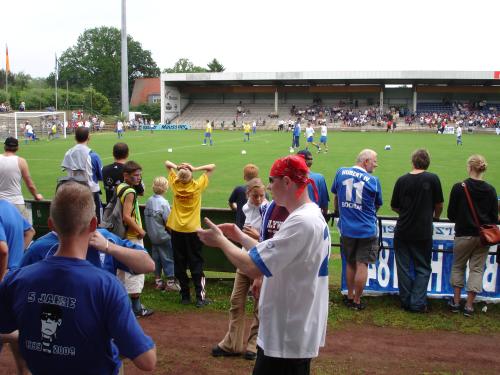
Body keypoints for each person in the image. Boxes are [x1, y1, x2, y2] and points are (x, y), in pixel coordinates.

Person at [0, 181, 156, 374]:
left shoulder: (17, 278)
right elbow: (147, 360)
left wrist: (109, 247)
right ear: (93, 223)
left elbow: (148, 264)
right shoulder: (108, 287)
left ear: (51, 223)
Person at [198, 155, 329, 375]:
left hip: (287, 331)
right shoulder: (309, 214)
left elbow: (252, 266)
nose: (269, 186)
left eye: (272, 180)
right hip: (291, 328)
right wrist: (239, 236)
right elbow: (270, 252)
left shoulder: (302, 221)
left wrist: (220, 241)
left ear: (287, 182)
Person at [212, 178, 270, 361]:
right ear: (247, 195)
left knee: (259, 305)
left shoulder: (268, 210)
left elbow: (274, 243)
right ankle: (232, 343)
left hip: (260, 263)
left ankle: (254, 345)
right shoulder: (245, 208)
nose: (259, 199)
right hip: (244, 259)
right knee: (236, 301)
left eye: (261, 196)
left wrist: (257, 236)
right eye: (255, 196)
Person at [390, 149, 444, 313]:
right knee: (423, 267)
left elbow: (394, 205)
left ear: (412, 161)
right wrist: (434, 217)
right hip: (423, 230)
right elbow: (439, 204)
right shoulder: (433, 178)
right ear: (427, 162)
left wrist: (406, 214)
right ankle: (417, 303)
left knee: (404, 267)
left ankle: (406, 301)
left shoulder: (402, 180)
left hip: (403, 229)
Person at [331, 149, 382, 310]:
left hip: (347, 228)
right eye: (374, 161)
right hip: (366, 229)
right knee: (362, 264)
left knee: (350, 262)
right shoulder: (373, 181)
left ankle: (350, 295)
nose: (376, 164)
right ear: (365, 161)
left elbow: (336, 197)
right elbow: (377, 204)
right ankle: (357, 301)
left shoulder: (340, 172)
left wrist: (341, 212)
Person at [447, 155, 498, 317]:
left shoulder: (458, 187)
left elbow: (451, 214)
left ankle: (455, 302)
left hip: (463, 234)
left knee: (458, 266)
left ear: (469, 167)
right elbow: (493, 217)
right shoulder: (490, 190)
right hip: (483, 236)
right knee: (476, 269)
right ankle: (469, 305)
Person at [165, 160, 216, 307]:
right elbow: (211, 166)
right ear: (191, 176)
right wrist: (194, 167)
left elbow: (167, 163)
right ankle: (200, 298)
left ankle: (185, 296)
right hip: (193, 230)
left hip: (176, 230)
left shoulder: (175, 184)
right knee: (196, 262)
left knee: (179, 263)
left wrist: (178, 167)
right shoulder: (196, 186)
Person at [116, 161, 153, 317]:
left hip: (122, 236)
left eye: (140, 175)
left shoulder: (121, 187)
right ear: (126, 175)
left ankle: (121, 306)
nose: (138, 178)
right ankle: (136, 308)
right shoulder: (130, 192)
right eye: (136, 175)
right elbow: (126, 216)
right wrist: (141, 230)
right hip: (132, 236)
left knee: (121, 272)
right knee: (136, 271)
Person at [144, 176, 180, 292]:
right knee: (168, 258)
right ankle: (170, 282)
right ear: (165, 188)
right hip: (163, 236)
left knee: (156, 259)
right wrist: (172, 234)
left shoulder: (149, 201)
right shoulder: (164, 203)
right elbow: (168, 222)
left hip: (152, 236)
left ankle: (158, 282)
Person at [61, 127, 103, 223]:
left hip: (73, 191)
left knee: (76, 221)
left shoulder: (68, 153)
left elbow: (67, 170)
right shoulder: (93, 155)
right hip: (90, 192)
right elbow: (101, 176)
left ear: (75, 138)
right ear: (89, 137)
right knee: (94, 222)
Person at [0, 137, 44, 219]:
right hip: (16, 202)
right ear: (17, 147)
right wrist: (36, 195)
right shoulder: (21, 161)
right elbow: (29, 184)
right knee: (27, 230)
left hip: (1, 202)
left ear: (4, 146)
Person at [297, 150, 329, 217]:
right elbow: (324, 204)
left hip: (295, 218)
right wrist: (325, 215)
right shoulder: (319, 178)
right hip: (314, 218)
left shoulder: (289, 178)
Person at [228, 164, 260, 229]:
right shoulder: (263, 193)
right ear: (257, 177)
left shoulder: (239, 189)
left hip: (240, 227)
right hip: (256, 228)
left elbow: (230, 202)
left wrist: (235, 209)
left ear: (244, 177)